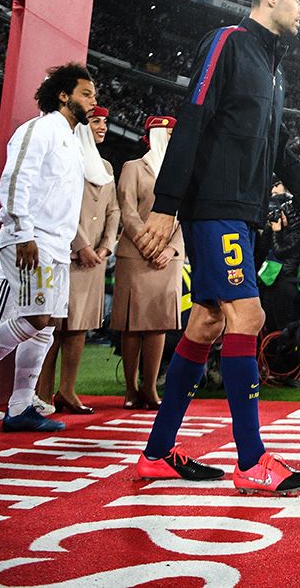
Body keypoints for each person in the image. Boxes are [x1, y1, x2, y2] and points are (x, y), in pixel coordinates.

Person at [131, 0, 300, 495]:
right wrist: (166, 203)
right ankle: (252, 461)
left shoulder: (275, 69)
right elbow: (194, 115)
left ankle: (157, 454)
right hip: (215, 206)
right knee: (247, 316)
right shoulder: (227, 42)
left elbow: (278, 149)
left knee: (206, 323)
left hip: (241, 212)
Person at [0, 63, 97, 432]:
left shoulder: (73, 141)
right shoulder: (40, 129)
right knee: (36, 318)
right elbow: (16, 181)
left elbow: (62, 198)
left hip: (56, 244)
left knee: (45, 328)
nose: (94, 102)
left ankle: (19, 406)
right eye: (87, 94)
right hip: (32, 239)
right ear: (64, 95)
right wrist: (24, 232)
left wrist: (74, 242)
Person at [37, 105, 118, 414]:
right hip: (67, 254)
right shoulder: (68, 160)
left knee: (79, 328)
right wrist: (83, 244)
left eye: (105, 122)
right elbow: (62, 205)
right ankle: (42, 393)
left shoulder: (107, 167)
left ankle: (67, 391)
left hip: (94, 261)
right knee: (54, 326)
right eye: (96, 121)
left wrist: (104, 248)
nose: (103, 127)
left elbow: (114, 213)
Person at [112, 116, 181, 410]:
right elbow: (126, 209)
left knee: (158, 325)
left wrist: (173, 250)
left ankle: (150, 388)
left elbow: (186, 216)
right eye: (168, 132)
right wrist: (148, 242)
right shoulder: (133, 168)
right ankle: (130, 389)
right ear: (154, 134)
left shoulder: (183, 171)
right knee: (132, 325)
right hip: (136, 254)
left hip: (166, 258)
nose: (173, 136)